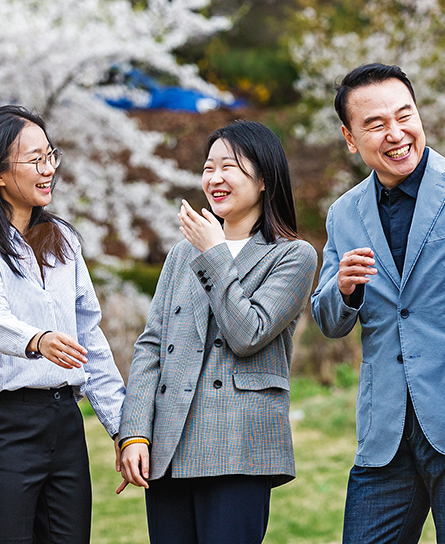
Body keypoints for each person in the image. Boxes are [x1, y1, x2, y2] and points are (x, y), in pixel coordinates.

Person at [311, 63, 445, 543]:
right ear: (349, 137)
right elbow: (328, 320)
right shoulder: (343, 213)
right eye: (376, 124)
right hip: (384, 433)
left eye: (404, 116)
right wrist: (344, 290)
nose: (396, 133)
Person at [116, 120, 318, 544]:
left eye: (230, 166)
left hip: (239, 445)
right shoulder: (180, 254)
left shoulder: (293, 256)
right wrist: (134, 432)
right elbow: (152, 345)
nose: (215, 178)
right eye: (209, 167)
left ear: (264, 179)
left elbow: (248, 333)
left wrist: (213, 252)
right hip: (169, 444)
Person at [0, 105, 126, 544]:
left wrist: (124, 427)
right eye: (34, 160)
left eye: (51, 156)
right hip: (4, 429)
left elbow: (90, 338)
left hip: (64, 422)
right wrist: (37, 339)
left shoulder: (63, 240)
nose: (48, 170)